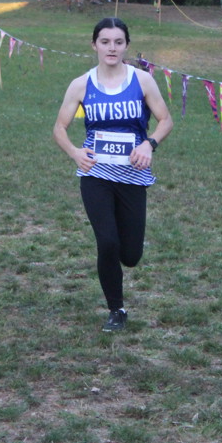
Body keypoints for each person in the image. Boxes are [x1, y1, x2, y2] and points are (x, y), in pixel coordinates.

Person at [52, 17, 173, 333]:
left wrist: (149, 144)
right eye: (105, 41)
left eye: (118, 42)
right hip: (96, 176)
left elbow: (165, 120)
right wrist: (75, 153)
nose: (112, 48)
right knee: (107, 243)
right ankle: (116, 309)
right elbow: (60, 127)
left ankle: (123, 253)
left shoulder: (142, 80)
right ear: (94, 44)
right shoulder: (81, 84)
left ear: (126, 46)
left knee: (130, 255)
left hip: (133, 175)